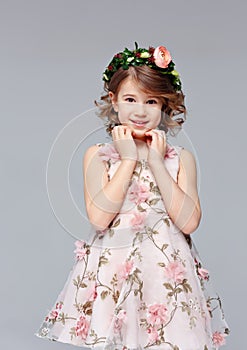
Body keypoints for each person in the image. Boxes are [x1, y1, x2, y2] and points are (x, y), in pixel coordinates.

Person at [35, 42, 229, 349]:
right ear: (114, 101)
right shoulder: (99, 155)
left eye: (151, 101)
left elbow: (189, 222)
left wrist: (155, 160)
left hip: (166, 272)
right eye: (130, 99)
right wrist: (127, 160)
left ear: (165, 105)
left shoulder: (180, 158)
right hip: (115, 271)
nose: (140, 110)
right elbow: (99, 218)